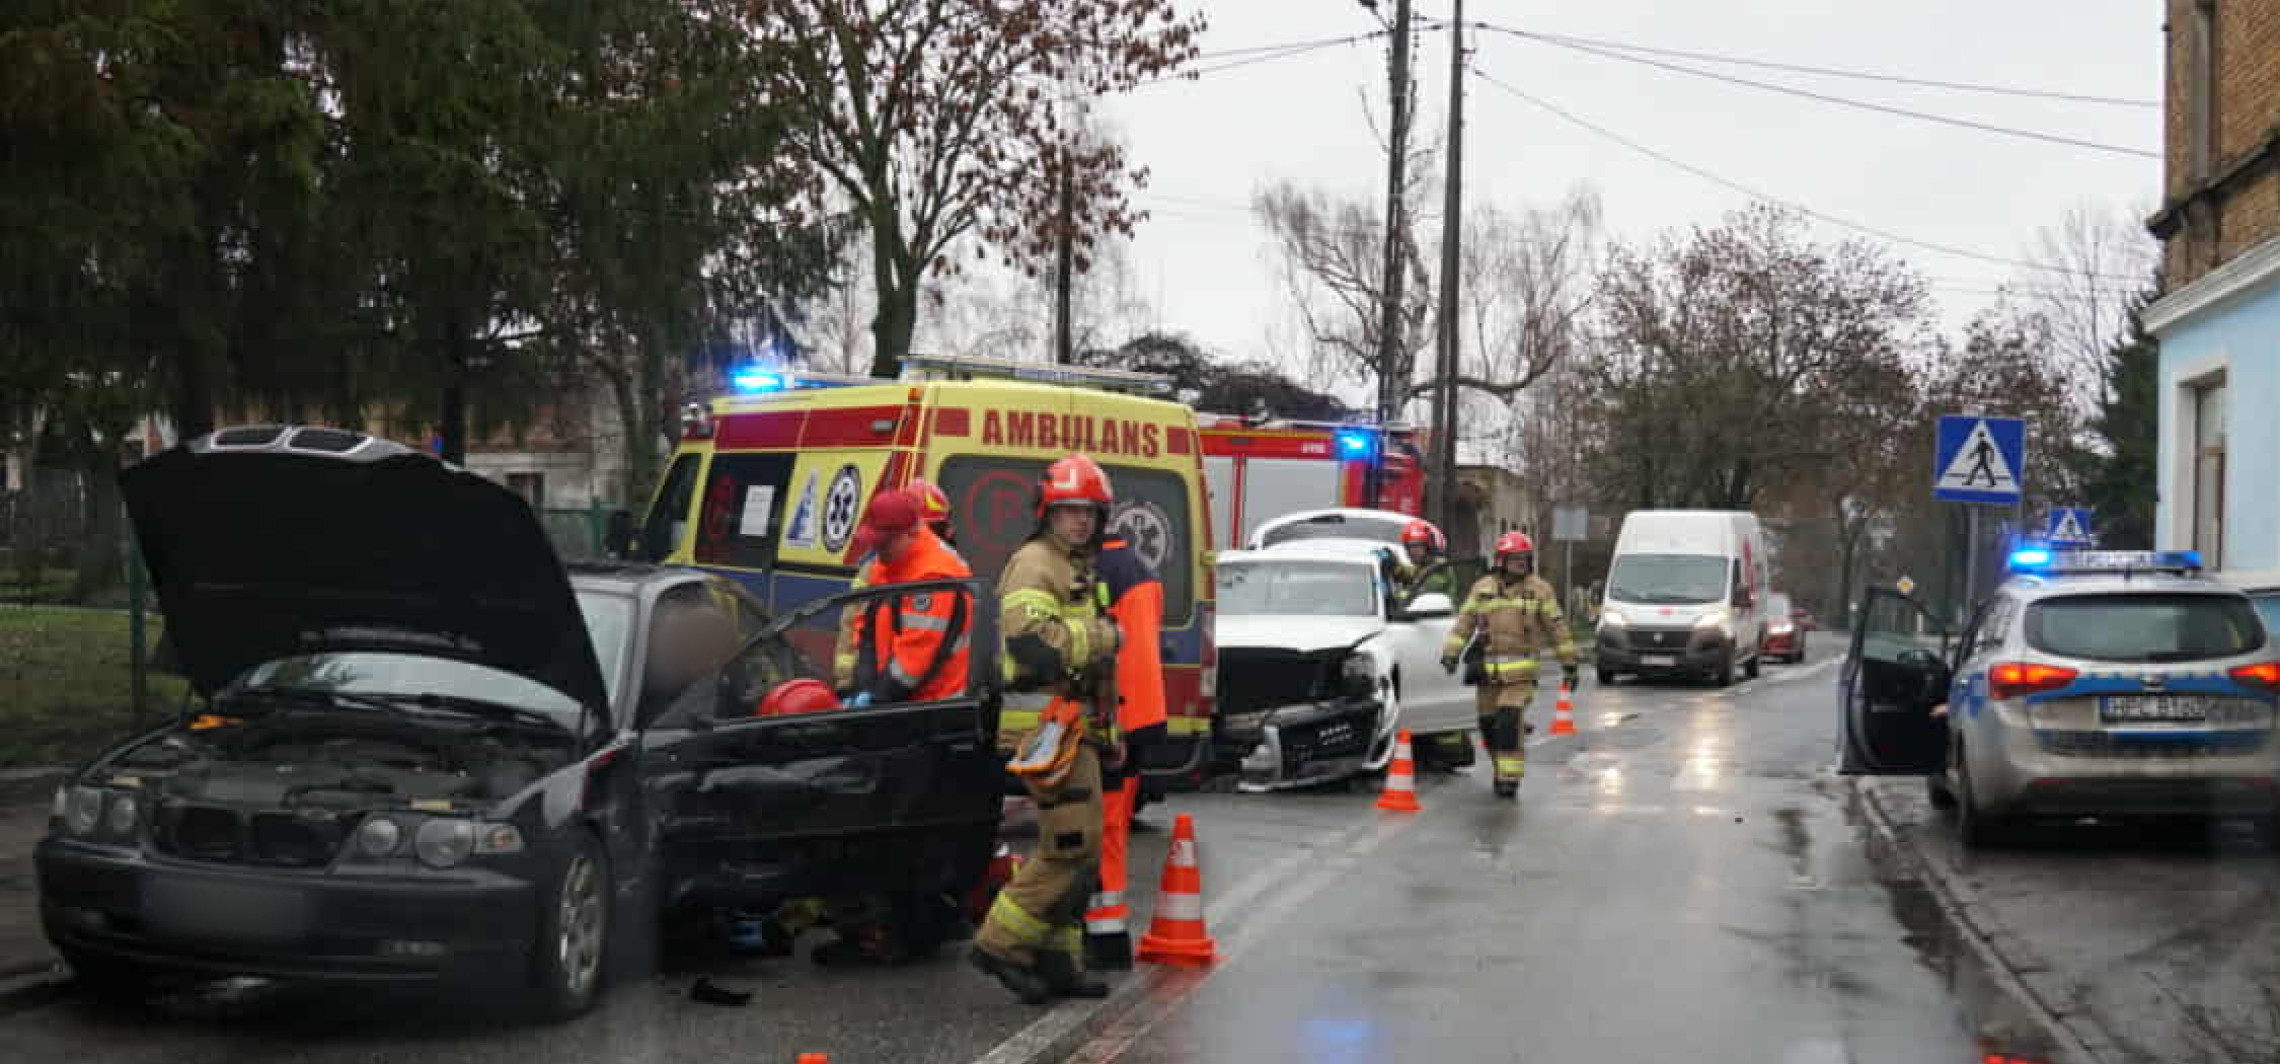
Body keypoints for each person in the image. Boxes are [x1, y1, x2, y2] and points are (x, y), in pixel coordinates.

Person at [971, 454, 1123, 1005]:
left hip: (1072, 724)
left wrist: (1110, 725)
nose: (1080, 521)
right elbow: (1032, 646)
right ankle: (1000, 941)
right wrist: (1103, 636)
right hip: (1042, 726)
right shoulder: (1035, 564)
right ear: (1048, 514)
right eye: (1069, 511)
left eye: (1089, 512)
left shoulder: (1079, 566)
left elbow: (1090, 662)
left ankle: (1058, 958)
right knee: (1070, 842)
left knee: (1079, 851)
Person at [1081, 529, 1165, 971]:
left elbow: (1101, 653)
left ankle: (1105, 936)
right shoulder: (1138, 568)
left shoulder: (1098, 573)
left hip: (1115, 718)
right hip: (1144, 714)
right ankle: (1106, 929)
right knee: (1113, 827)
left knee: (1099, 829)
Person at [1442, 531, 1578, 798]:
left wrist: (1570, 664)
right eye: (1515, 559)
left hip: (1520, 675)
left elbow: (1557, 628)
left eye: (1525, 559)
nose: (1521, 564)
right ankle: (1498, 768)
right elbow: (1465, 622)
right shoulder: (1482, 588)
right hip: (1488, 674)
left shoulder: (1539, 590)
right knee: (1488, 726)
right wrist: (1451, 653)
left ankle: (1509, 778)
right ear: (1501, 561)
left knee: (1507, 721)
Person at [844, 488, 974, 708]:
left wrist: (876, 699)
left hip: (934, 706)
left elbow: (915, 660)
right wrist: (863, 684)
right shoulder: (886, 562)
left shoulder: (935, 575)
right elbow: (867, 628)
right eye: (874, 542)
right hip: (896, 697)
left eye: (884, 543)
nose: (877, 549)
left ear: (910, 533)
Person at [1392, 519, 1452, 603]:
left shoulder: (1438, 569)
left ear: (1429, 547)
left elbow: (1415, 592)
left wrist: (1395, 596)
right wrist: (1395, 566)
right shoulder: (1424, 566)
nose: (1412, 552)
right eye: (1409, 547)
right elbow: (1411, 573)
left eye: (1417, 546)